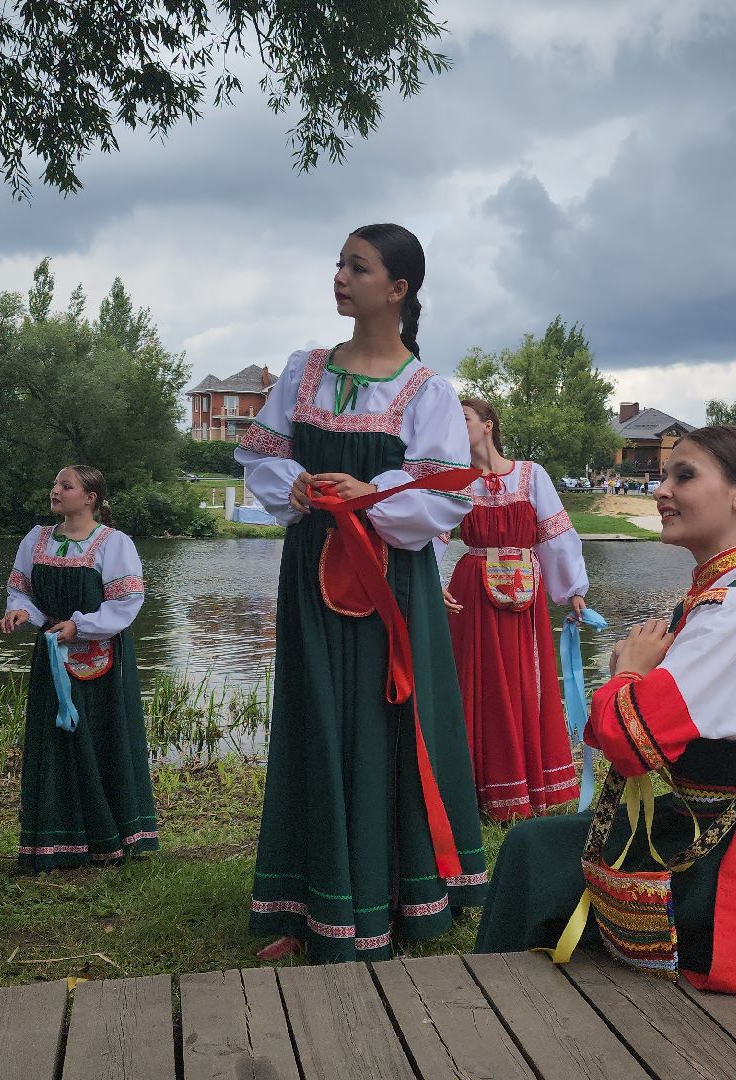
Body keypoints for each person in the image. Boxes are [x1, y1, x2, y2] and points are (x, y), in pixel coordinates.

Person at [475, 426, 736, 992]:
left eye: (683, 476)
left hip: (733, 863)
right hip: (717, 823)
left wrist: (628, 673)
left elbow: (628, 741)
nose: (662, 490)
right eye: (665, 476)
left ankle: (492, 998)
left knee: (531, 852)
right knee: (539, 849)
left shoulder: (735, 609)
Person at [237, 224, 488, 963]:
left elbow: (447, 494)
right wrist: (299, 487)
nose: (340, 276)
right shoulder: (304, 371)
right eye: (339, 264)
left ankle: (392, 897)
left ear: (398, 289)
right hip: (311, 570)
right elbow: (260, 455)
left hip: (390, 583)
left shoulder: (427, 390)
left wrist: (370, 494)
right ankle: (306, 900)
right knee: (314, 713)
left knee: (383, 723)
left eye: (358, 266)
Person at [0, 466, 159, 869]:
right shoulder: (36, 540)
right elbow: (22, 591)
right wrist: (22, 613)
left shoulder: (113, 543)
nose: (55, 490)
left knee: (101, 738)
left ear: (90, 498)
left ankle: (112, 837)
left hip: (101, 659)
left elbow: (126, 604)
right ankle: (56, 841)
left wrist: (80, 626)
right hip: (53, 654)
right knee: (54, 740)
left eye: (65, 486)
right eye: (55, 484)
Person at [440, 399, 587, 820]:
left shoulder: (531, 475)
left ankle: (527, 786)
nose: (456, 426)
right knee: (477, 680)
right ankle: (477, 790)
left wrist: (572, 589)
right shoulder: (455, 479)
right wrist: (430, 580)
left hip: (525, 591)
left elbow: (554, 532)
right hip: (471, 590)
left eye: (464, 419)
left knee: (525, 679)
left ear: (488, 425)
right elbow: (433, 532)